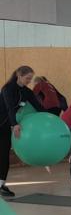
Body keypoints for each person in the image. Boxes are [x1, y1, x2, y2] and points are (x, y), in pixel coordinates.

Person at [0, 66, 45, 197]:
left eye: (31, 79)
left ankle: (1, 183)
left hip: (5, 127)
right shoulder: (8, 89)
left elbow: (38, 106)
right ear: (19, 75)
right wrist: (14, 124)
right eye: (27, 78)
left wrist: (49, 118)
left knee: (4, 155)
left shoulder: (26, 92)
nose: (29, 81)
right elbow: (10, 108)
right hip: (4, 123)